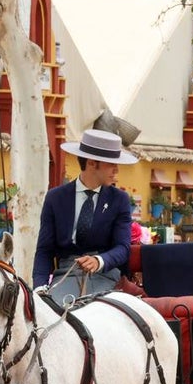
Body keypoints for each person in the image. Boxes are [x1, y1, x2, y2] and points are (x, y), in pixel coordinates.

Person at [34, 129, 136, 304]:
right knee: (50, 317)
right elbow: (44, 250)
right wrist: (40, 288)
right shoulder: (55, 198)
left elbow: (123, 248)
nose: (116, 170)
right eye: (111, 164)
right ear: (91, 163)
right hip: (66, 276)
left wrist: (99, 261)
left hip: (106, 276)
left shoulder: (120, 200)